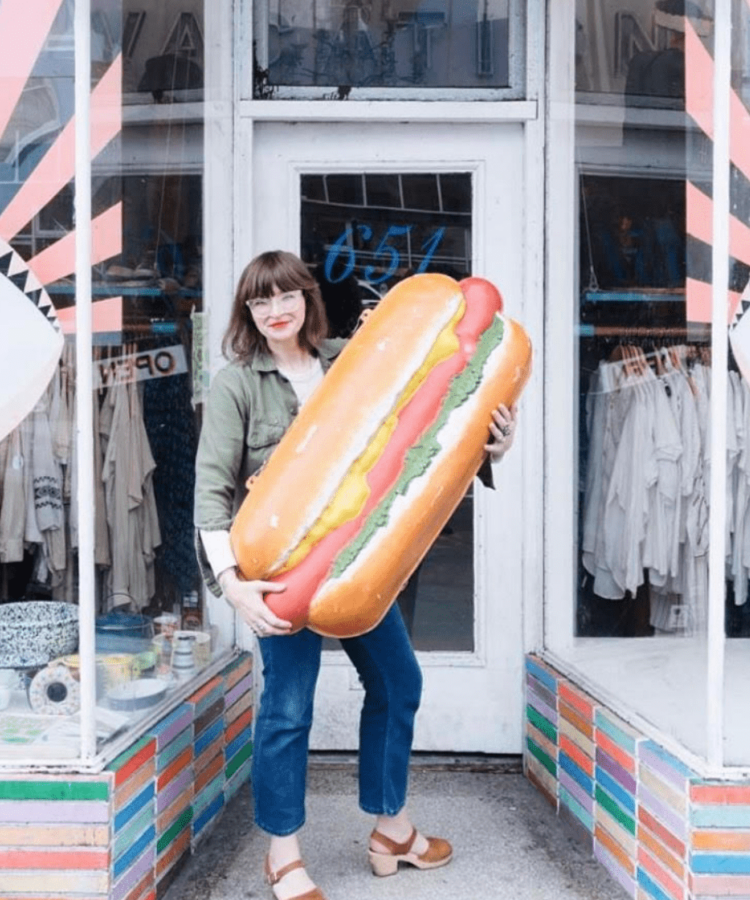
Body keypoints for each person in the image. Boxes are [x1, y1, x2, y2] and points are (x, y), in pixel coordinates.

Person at [194, 250, 517, 900]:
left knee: (398, 683)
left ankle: (392, 828)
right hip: (278, 572)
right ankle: (282, 854)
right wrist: (230, 582)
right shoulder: (237, 384)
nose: (275, 310)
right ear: (247, 313)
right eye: (260, 301)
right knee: (288, 707)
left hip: (362, 559)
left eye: (286, 296)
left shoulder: (358, 355)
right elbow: (209, 489)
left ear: (308, 300)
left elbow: (429, 428)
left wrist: (494, 446)